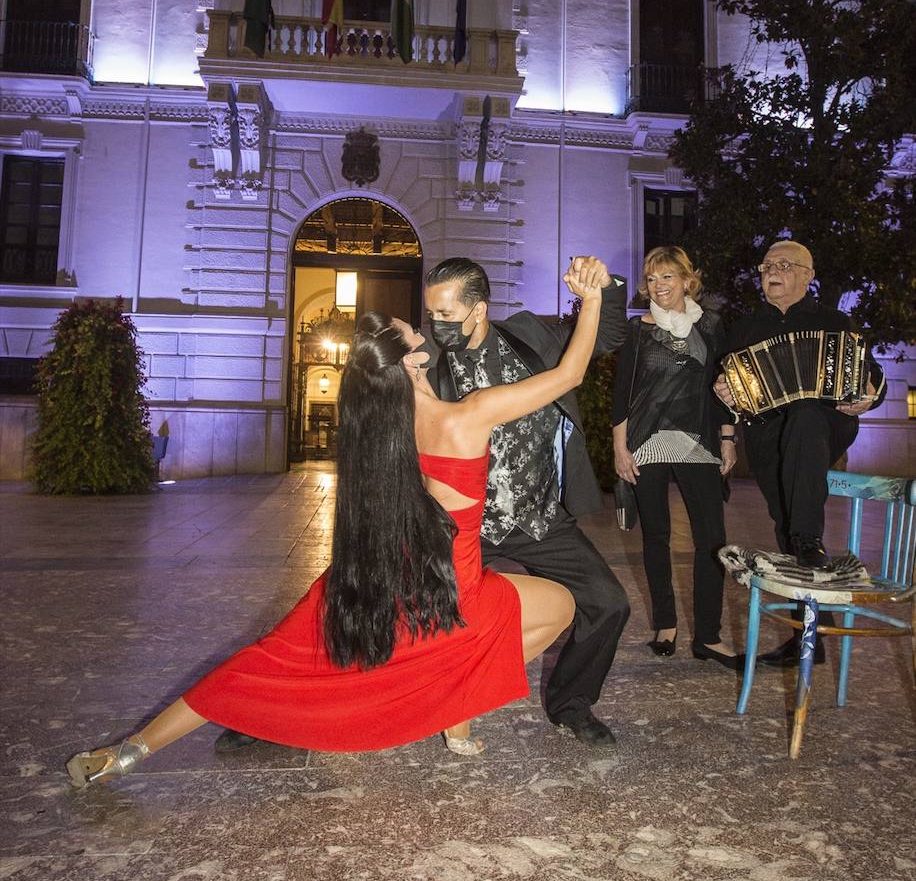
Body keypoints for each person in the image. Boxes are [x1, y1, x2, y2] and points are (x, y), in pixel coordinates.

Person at [65, 261, 604, 789]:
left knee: (264, 661)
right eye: (416, 329)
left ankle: (127, 752)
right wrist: (595, 298)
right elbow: (570, 374)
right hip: (452, 588)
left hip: (378, 573)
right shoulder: (467, 415)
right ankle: (453, 700)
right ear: (414, 356)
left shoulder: (380, 427)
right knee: (561, 606)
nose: (425, 327)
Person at [421, 255, 630, 747]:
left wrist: (605, 286)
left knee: (608, 603)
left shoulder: (529, 334)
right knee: (396, 615)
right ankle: (292, 712)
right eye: (432, 315)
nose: (436, 325)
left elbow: (604, 336)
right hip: (466, 528)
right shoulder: (426, 365)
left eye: (446, 315)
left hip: (539, 516)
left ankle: (571, 706)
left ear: (480, 310)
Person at [718, 239, 886, 668]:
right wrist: (724, 391)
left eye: (785, 265)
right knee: (787, 523)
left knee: (808, 412)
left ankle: (808, 539)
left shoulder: (834, 320)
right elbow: (729, 383)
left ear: (808, 276)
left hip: (826, 426)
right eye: (767, 265)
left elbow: (870, 374)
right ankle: (810, 640)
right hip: (769, 435)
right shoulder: (745, 327)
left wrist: (870, 395)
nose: (772, 271)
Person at [611, 247, 741, 669]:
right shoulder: (638, 330)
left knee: (711, 540)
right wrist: (619, 447)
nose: (659, 286)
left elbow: (724, 387)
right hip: (647, 441)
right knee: (656, 537)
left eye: (667, 277)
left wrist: (727, 437)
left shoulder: (713, 326)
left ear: (688, 280)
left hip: (698, 440)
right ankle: (665, 623)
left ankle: (708, 635)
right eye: (651, 279)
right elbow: (621, 393)